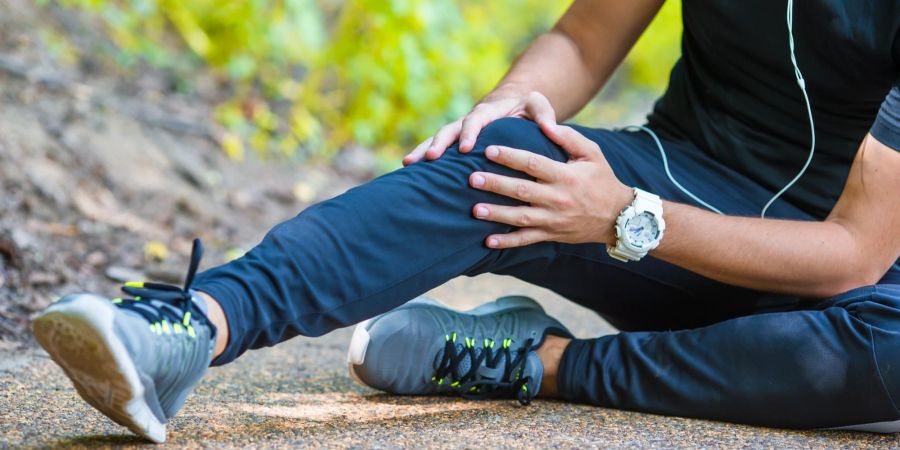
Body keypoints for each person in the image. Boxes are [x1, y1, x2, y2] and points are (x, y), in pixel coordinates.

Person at [32, 0, 900, 443]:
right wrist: (500, 109)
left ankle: (541, 364)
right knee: (510, 159)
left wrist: (628, 216)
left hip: (841, 285)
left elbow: (854, 255)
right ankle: (189, 329)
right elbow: (584, 37)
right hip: (680, 181)